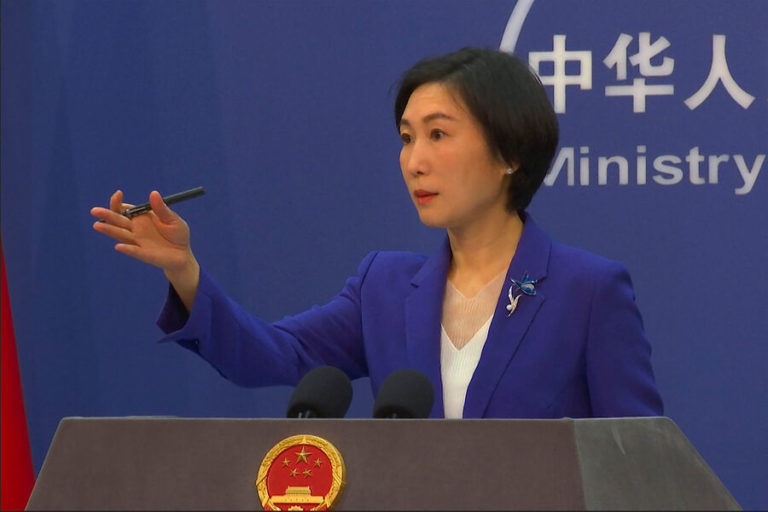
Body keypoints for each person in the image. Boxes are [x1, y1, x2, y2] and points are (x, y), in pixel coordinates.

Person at [91, 47, 663, 419]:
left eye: (438, 135)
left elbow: (640, 460)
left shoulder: (588, 290)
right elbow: (271, 355)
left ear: (510, 152)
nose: (414, 161)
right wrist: (185, 271)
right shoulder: (383, 287)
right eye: (407, 138)